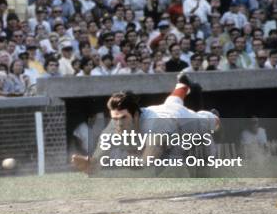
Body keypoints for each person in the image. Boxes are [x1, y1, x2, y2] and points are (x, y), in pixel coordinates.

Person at [71, 73, 219, 174]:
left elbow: (148, 160)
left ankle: (213, 114)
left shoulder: (155, 125)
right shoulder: (113, 128)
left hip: (185, 123)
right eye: (115, 119)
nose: (118, 124)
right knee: (173, 101)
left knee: (210, 121)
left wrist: (130, 162)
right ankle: (182, 84)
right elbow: (95, 164)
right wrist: (89, 163)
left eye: (123, 118)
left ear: (135, 115)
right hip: (167, 111)